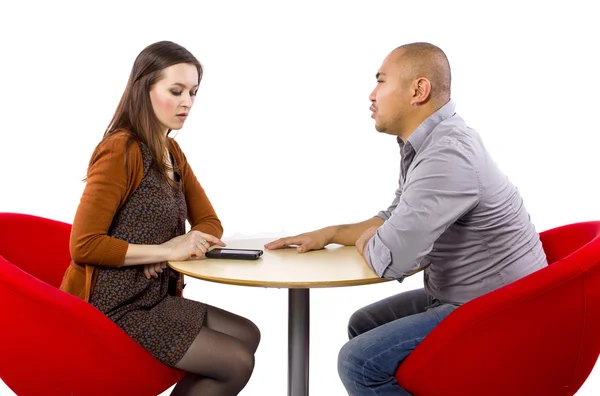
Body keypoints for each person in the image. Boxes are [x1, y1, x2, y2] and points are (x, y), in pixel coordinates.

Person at [264, 42, 548, 395]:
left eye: (381, 81)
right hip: (471, 297)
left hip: (504, 311)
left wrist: (372, 239)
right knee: (364, 323)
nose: (371, 95)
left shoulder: (448, 153)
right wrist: (332, 233)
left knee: (359, 360)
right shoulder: (429, 144)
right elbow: (394, 217)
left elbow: (392, 259)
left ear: (419, 90)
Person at [59, 41, 260, 396]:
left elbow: (210, 222)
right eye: (176, 90)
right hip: (116, 307)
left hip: (155, 299)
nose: (188, 102)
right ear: (144, 88)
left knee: (248, 334)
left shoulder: (171, 151)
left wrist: (167, 251)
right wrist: (162, 250)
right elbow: (84, 245)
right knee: (235, 362)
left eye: (194, 92)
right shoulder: (120, 149)